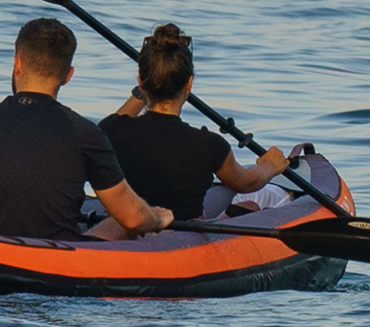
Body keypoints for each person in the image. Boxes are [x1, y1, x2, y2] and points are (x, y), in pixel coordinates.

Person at [0, 17, 166, 241]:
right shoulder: (85, 133)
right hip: (54, 258)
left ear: (17, 62)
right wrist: (158, 218)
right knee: (119, 225)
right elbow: (133, 219)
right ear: (68, 75)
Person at [100, 24, 310, 222]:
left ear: (140, 82)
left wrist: (147, 85)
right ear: (189, 83)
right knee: (251, 204)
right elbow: (246, 182)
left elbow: (117, 119)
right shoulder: (208, 144)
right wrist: (270, 166)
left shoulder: (111, 131)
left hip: (129, 230)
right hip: (184, 238)